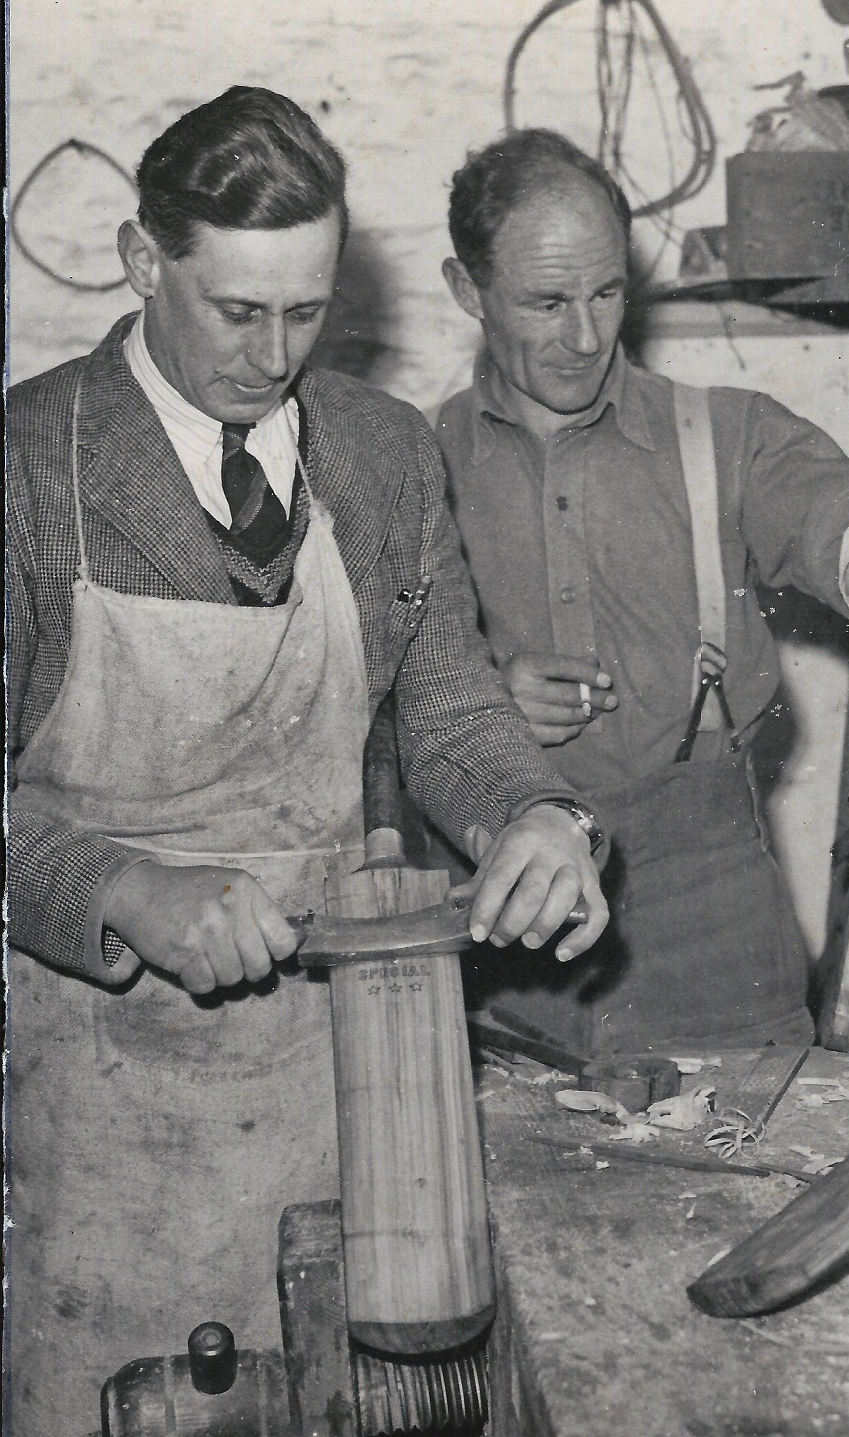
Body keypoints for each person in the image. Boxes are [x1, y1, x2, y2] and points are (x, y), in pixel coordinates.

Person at [5, 90, 609, 1433]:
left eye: (306, 310)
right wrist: (120, 886)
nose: (273, 356)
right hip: (109, 1103)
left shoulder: (382, 452)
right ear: (140, 259)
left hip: (354, 1083)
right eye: (237, 311)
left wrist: (539, 811)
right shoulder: (28, 466)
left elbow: (444, 702)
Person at [434, 127, 849, 1058]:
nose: (585, 337)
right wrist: (467, 713)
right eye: (546, 302)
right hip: (494, 928)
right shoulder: (410, 468)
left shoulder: (729, 437)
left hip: (711, 924)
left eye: (607, 291)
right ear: (467, 291)